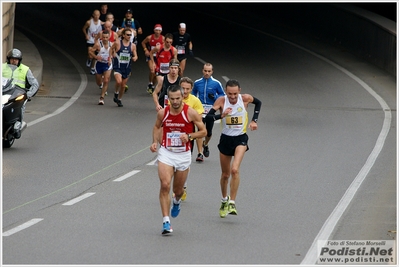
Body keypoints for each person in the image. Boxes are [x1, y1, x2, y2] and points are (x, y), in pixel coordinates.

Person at [150, 84, 206, 235]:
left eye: (178, 98)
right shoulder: (163, 113)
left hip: (183, 155)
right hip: (167, 153)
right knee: (165, 185)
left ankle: (176, 201)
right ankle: (166, 221)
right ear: (168, 99)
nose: (175, 102)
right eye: (172, 99)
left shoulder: (191, 113)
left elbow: (203, 131)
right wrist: (155, 142)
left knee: (178, 190)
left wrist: (189, 136)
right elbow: (156, 127)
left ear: (183, 97)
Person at [205, 79, 262, 218]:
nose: (232, 97)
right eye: (230, 94)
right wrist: (221, 115)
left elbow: (258, 103)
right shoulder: (221, 101)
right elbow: (208, 118)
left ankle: (232, 202)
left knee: (234, 170)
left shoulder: (245, 99)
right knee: (225, 175)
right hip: (225, 139)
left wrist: (254, 120)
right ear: (226, 92)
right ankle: (224, 200)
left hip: (240, 138)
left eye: (235, 94)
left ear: (239, 91)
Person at [2, 48, 39, 137]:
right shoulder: (2, 67)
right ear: (8, 59)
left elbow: (35, 84)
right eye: (12, 59)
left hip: (18, 93)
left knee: (21, 107)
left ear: (19, 60)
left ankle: (17, 127)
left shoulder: (25, 69)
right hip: (4, 91)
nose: (14, 61)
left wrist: (27, 95)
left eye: (16, 59)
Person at [192, 63, 225, 162]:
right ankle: (200, 153)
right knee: (200, 131)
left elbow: (222, 96)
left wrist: (214, 97)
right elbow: (192, 94)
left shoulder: (216, 83)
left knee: (208, 132)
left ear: (212, 72)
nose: (207, 73)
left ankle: (205, 144)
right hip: (200, 110)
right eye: (205, 71)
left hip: (211, 110)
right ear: (202, 70)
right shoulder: (197, 83)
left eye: (209, 71)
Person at [178, 77, 204, 201]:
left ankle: (184, 186)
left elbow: (198, 119)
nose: (185, 91)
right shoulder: (174, 98)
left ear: (191, 89)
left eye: (188, 89)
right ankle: (177, 187)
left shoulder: (195, 101)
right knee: (173, 165)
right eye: (183, 88)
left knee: (185, 164)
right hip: (173, 135)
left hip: (188, 137)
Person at [111, 28, 138, 107]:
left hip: (127, 68)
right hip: (118, 66)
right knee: (119, 82)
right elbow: (111, 49)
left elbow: (136, 55)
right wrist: (111, 55)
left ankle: (119, 99)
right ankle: (116, 93)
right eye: (127, 35)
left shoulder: (132, 46)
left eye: (130, 35)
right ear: (123, 35)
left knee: (123, 85)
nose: (129, 36)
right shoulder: (118, 43)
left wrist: (135, 57)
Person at [89, 30, 113, 105]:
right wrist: (96, 57)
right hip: (99, 64)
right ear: (101, 37)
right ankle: (100, 85)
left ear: (109, 37)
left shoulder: (112, 44)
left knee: (106, 80)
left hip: (107, 64)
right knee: (99, 82)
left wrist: (111, 58)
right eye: (104, 37)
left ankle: (102, 98)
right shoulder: (98, 44)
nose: (105, 39)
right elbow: (90, 51)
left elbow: (114, 53)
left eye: (107, 37)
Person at [141, 24, 164, 94]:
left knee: (156, 73)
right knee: (152, 70)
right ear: (154, 30)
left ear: (161, 31)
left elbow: (165, 46)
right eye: (156, 30)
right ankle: (150, 83)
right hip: (150, 56)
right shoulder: (150, 37)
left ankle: (152, 85)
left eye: (159, 30)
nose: (157, 32)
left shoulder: (163, 38)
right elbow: (143, 43)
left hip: (158, 57)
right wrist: (145, 50)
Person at [82, 9, 103, 75]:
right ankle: (89, 59)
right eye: (95, 15)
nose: (96, 16)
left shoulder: (101, 23)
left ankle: (93, 68)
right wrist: (86, 35)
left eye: (98, 15)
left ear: (99, 15)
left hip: (97, 42)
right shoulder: (89, 22)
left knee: (96, 55)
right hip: (90, 40)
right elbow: (84, 28)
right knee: (91, 55)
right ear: (93, 15)